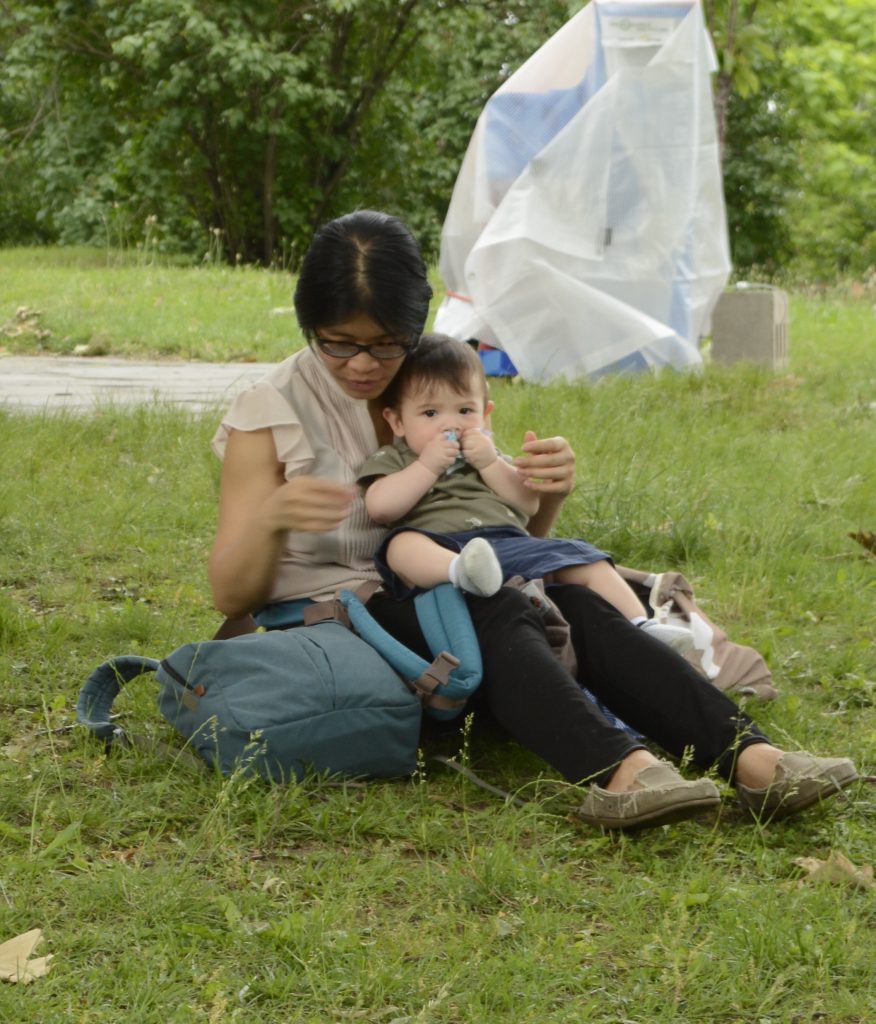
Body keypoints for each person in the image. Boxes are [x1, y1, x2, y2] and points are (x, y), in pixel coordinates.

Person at [208, 209, 858, 830]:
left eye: (384, 344)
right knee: (496, 609)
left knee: (576, 603)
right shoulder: (271, 412)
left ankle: (753, 761)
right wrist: (270, 520)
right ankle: (622, 772)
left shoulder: (428, 387)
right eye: (337, 343)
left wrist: (548, 494)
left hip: (449, 590)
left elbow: (501, 542)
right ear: (309, 325)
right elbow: (231, 596)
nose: (362, 365)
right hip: (349, 612)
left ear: (413, 326)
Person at [359, 332, 693, 653]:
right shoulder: (398, 458)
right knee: (401, 546)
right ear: (397, 422)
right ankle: (464, 573)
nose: (451, 425)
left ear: (486, 415)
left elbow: (527, 504)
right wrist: (427, 466)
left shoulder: (489, 457)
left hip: (509, 543)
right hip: (441, 548)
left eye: (465, 411)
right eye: (431, 413)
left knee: (584, 557)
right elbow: (381, 507)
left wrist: (490, 462)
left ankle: (642, 626)